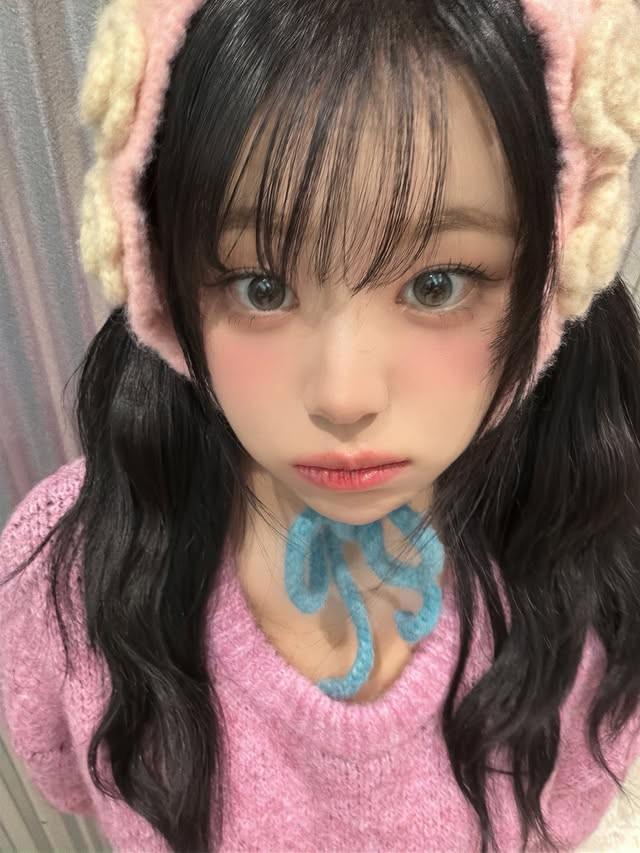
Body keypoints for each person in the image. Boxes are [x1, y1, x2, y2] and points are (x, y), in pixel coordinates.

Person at [1, 0, 640, 850]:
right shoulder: (63, 577)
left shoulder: (600, 570)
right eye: (261, 285)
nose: (343, 396)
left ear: (553, 280)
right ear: (161, 281)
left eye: (439, 283)